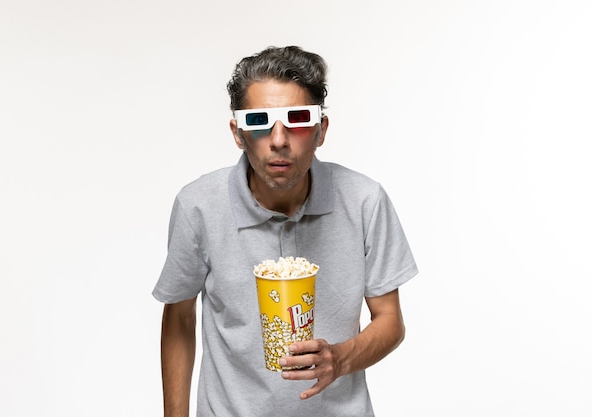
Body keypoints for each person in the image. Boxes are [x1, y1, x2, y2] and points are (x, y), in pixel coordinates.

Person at [152, 45, 418, 417]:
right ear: (238, 132)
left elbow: (390, 320)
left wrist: (338, 359)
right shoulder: (199, 205)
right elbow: (179, 317)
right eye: (259, 121)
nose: (278, 139)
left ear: (321, 129)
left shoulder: (364, 201)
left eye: (296, 118)